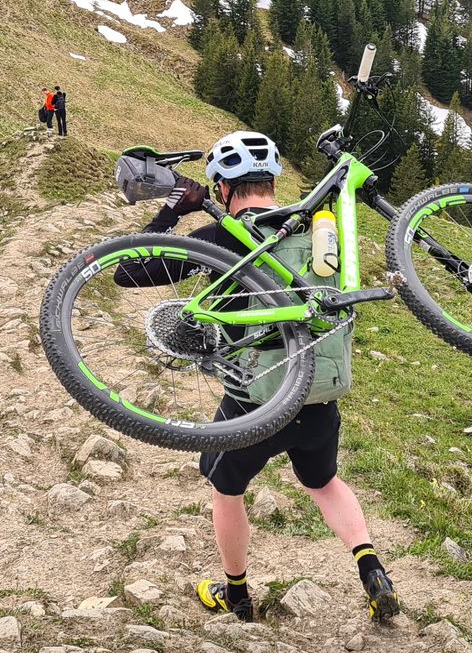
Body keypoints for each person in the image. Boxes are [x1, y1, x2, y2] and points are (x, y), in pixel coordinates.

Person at [111, 131, 400, 624]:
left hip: (254, 401)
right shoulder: (314, 228)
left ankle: (238, 594)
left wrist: (173, 212)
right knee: (325, 483)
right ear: (273, 182)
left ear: (223, 188)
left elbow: (127, 273)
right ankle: (371, 567)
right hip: (318, 392)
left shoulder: (221, 237)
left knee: (226, 490)